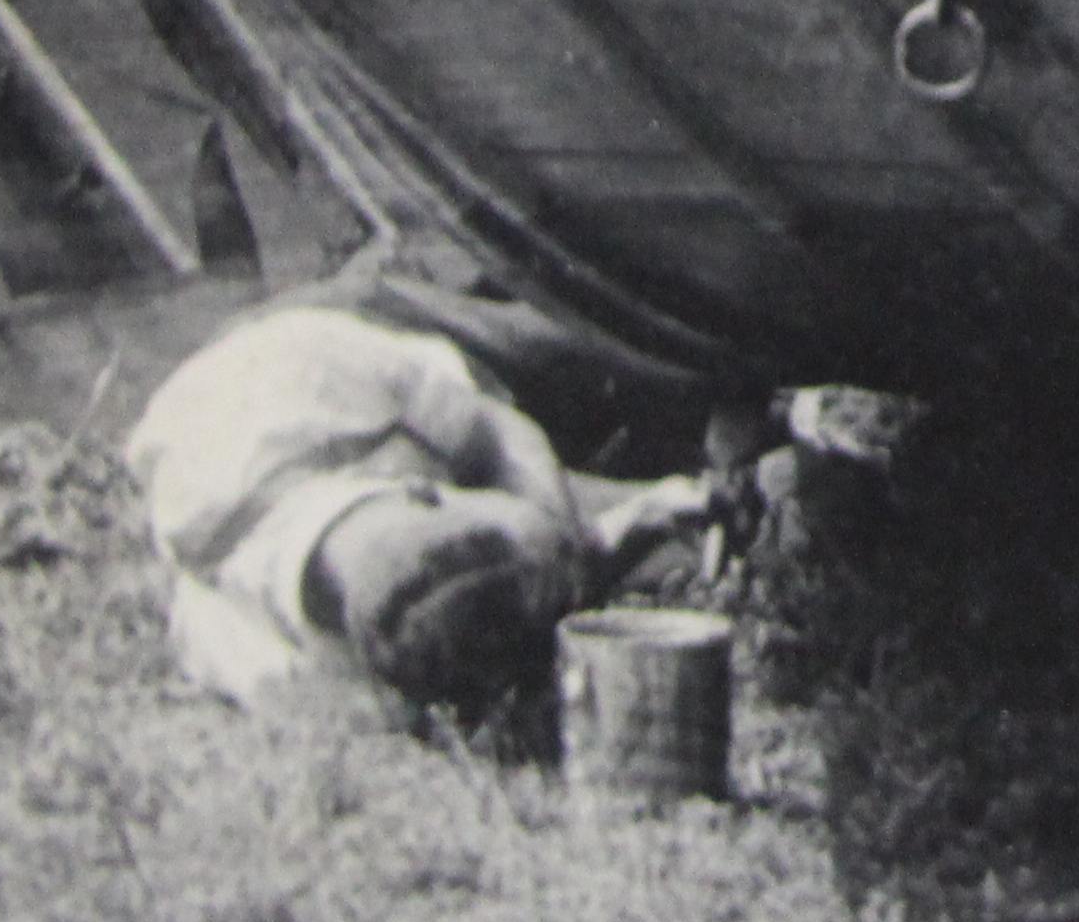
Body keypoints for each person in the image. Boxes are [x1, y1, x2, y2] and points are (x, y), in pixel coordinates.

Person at [124, 295, 718, 718]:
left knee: (608, 331)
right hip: (384, 452)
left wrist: (570, 539)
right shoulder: (290, 676)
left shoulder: (307, 375)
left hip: (367, 320)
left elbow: (495, 429)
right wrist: (628, 528)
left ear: (425, 490)